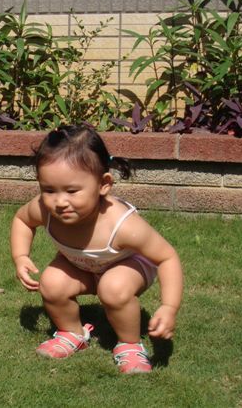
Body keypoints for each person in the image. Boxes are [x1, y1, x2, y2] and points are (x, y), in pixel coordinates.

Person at [10, 125, 183, 374]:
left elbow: (167, 257)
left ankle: (130, 344)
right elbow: (22, 220)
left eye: (72, 191)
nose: (60, 202)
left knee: (113, 287)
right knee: (51, 283)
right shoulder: (43, 210)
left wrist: (169, 307)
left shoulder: (122, 225)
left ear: (103, 184)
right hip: (81, 264)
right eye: (48, 190)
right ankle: (72, 333)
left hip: (128, 265)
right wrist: (21, 256)